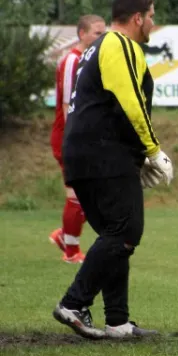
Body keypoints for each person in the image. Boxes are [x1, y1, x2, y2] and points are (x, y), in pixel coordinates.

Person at [52, 0, 173, 340]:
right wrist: (152, 149)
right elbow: (129, 100)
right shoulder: (119, 44)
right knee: (125, 230)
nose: (152, 22)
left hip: (87, 151)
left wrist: (137, 154)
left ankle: (117, 321)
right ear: (137, 18)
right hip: (102, 152)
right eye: (151, 15)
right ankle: (74, 303)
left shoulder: (96, 47)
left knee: (116, 235)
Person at [48, 14, 106, 264]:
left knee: (91, 193)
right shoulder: (72, 61)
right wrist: (75, 139)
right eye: (96, 33)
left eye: (104, 33)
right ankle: (71, 251)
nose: (101, 37)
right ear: (82, 34)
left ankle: (65, 235)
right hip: (68, 137)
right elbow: (66, 104)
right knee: (77, 195)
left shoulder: (88, 59)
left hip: (81, 136)